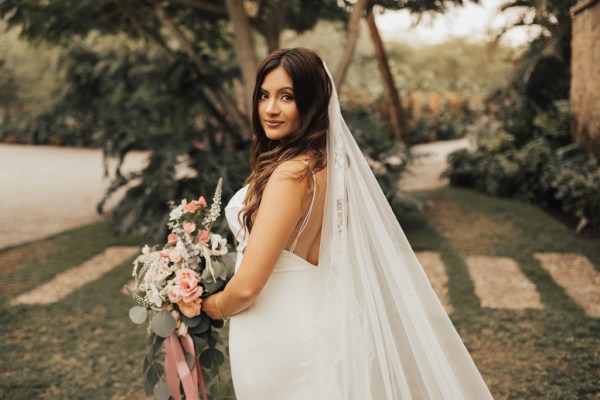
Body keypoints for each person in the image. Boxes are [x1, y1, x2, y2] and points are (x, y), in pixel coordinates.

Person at [202, 47, 494, 400]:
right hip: (315, 326)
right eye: (264, 95)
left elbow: (247, 287)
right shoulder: (331, 168)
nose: (270, 109)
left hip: (276, 334)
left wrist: (208, 306)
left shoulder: (290, 175)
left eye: (287, 97)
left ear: (311, 104)